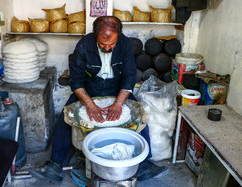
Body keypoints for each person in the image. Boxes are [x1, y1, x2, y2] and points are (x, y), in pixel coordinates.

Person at [29, 16, 166, 182]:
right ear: (95, 36)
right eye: (103, 44)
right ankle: (55, 164)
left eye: (111, 45)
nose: (107, 48)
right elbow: (76, 80)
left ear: (119, 36)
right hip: (89, 88)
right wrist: (90, 105)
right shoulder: (84, 45)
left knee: (139, 115)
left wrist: (118, 104)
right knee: (66, 117)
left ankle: (144, 164)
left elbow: (129, 77)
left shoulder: (125, 45)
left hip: (117, 88)